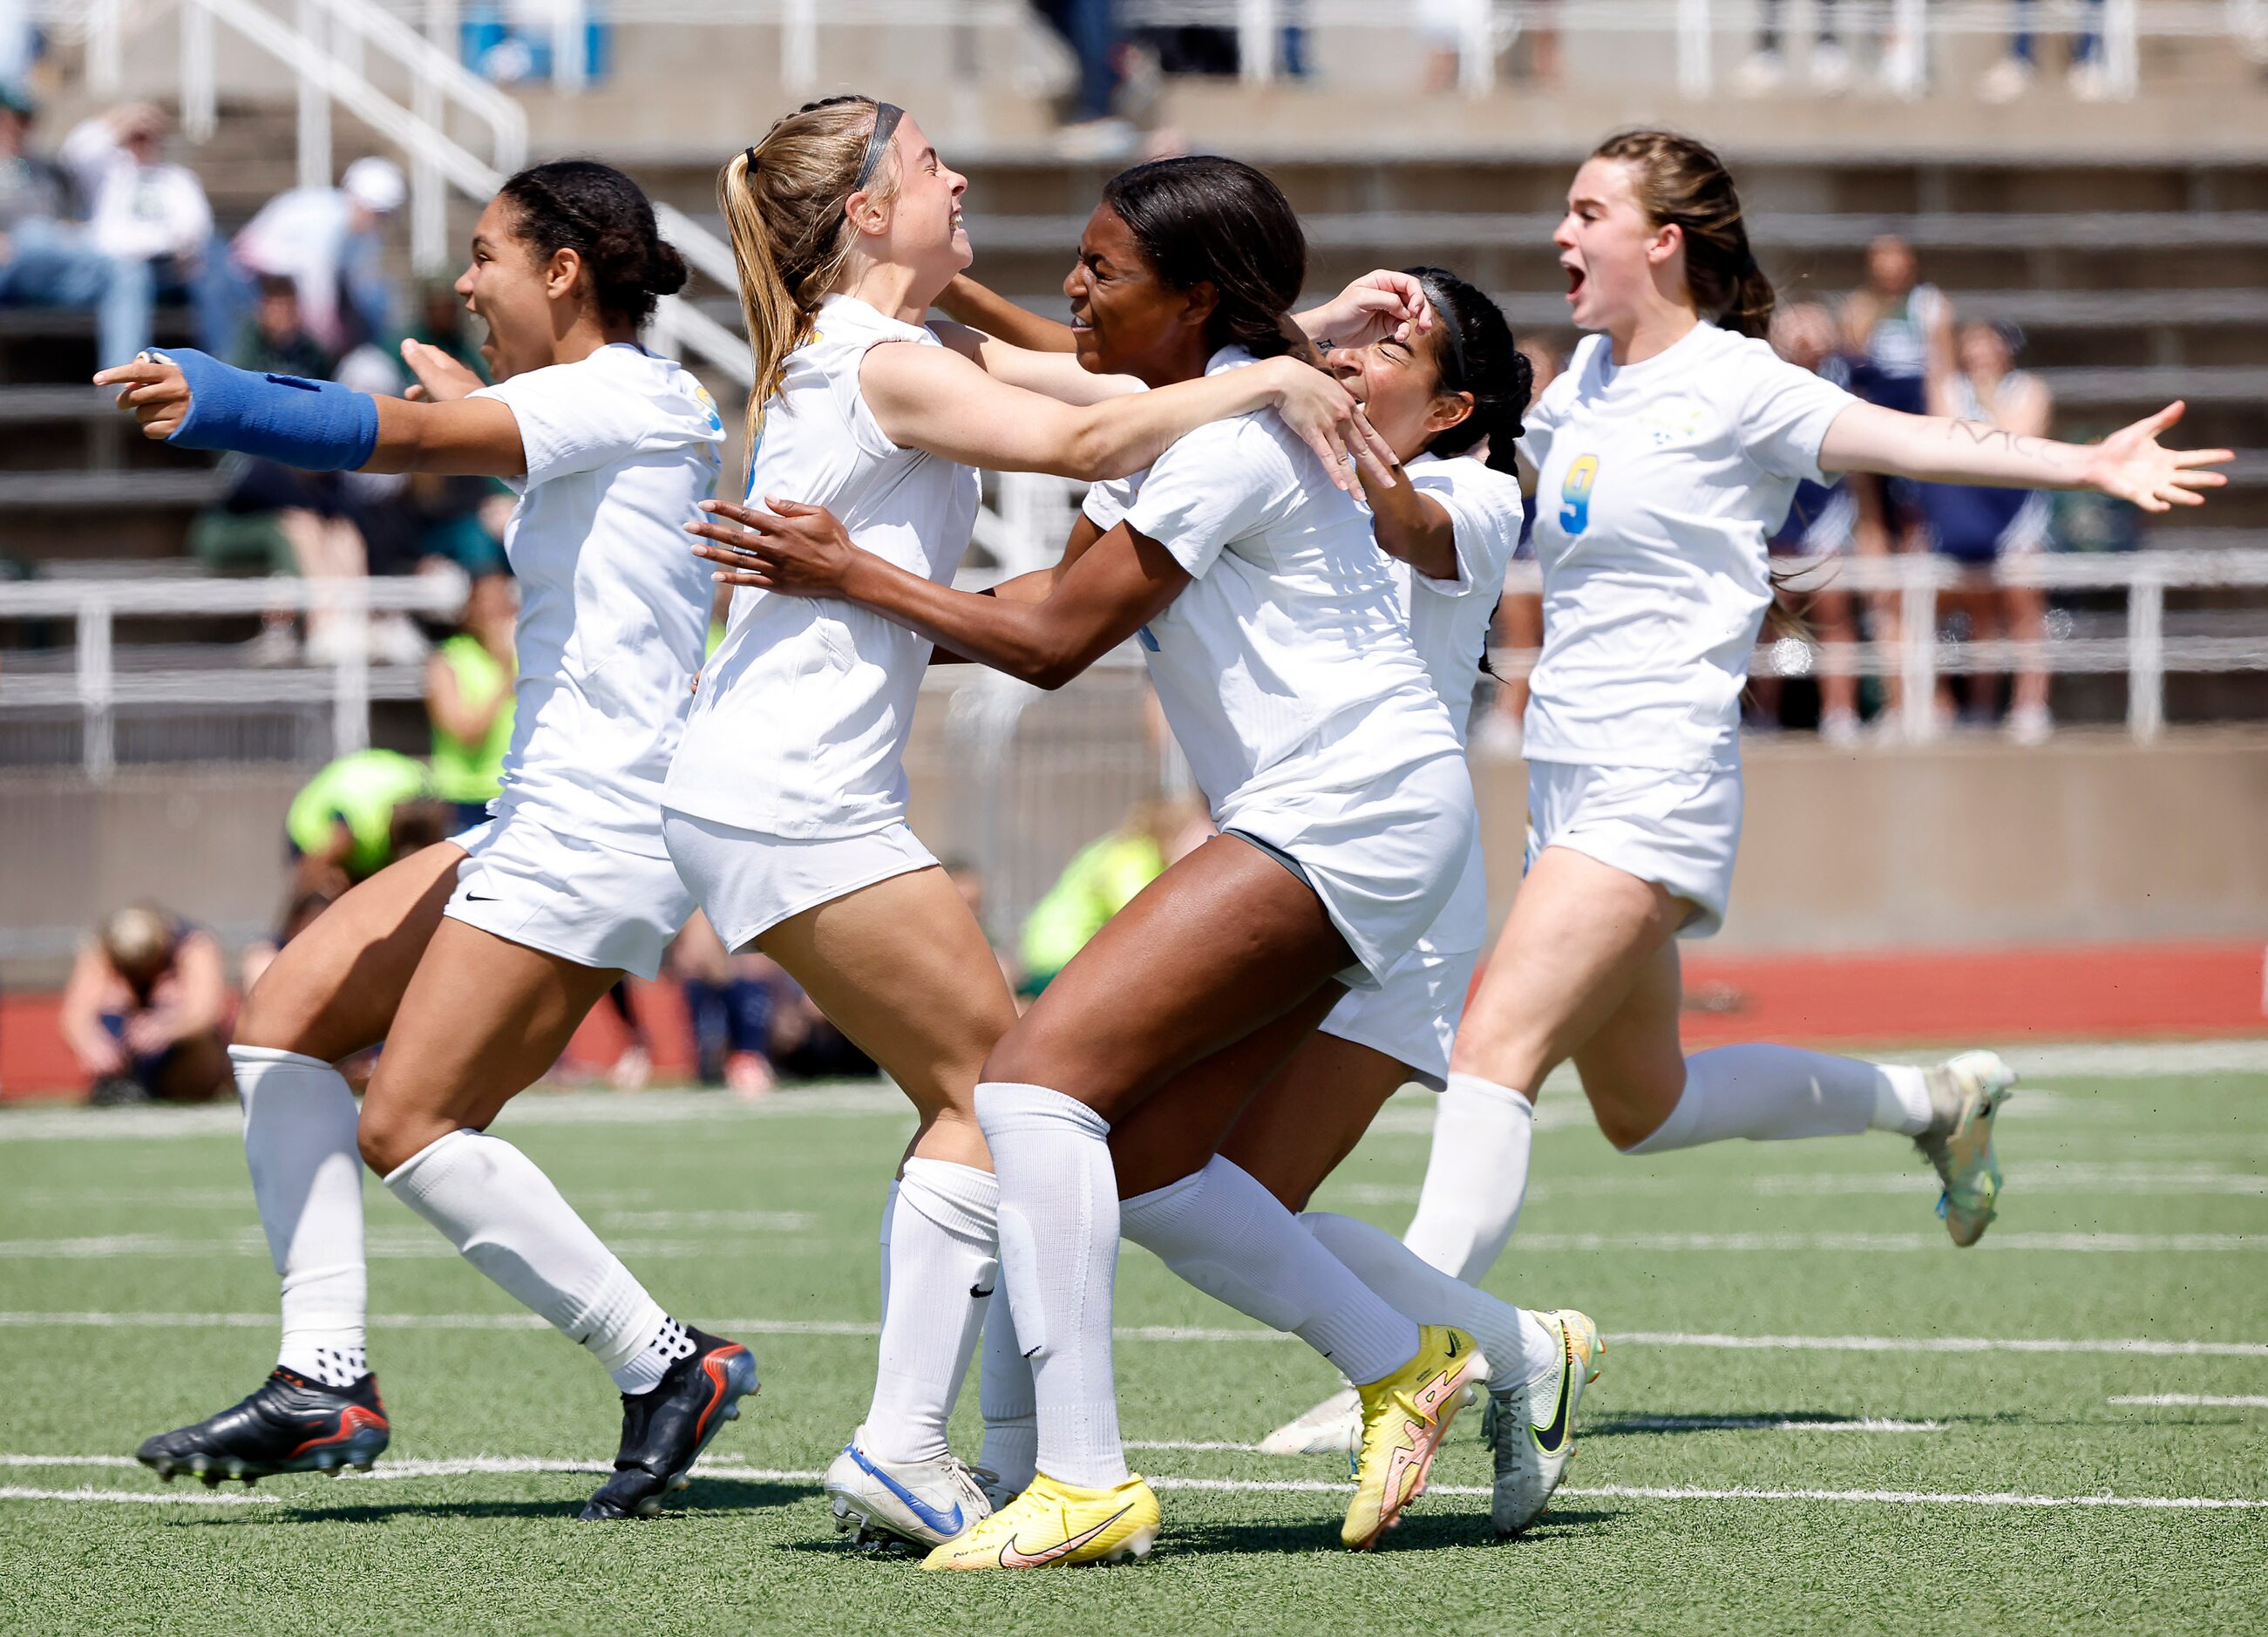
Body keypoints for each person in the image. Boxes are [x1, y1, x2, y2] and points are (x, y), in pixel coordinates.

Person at [1308, 131, 2225, 1402]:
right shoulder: (1581, 378)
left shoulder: (1738, 384)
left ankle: (1408, 1363)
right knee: (1645, 1104)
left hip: (1655, 778)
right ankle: (1933, 1098)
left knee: (1492, 1050)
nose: (1561, 237)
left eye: (1587, 213)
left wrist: (2083, 461)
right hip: (1567, 783)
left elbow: (1912, 441)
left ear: (1660, 242)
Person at [689, 158, 1497, 1568]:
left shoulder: (1227, 440)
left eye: (1101, 269)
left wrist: (854, 579)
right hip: (1355, 806)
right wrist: (863, 613)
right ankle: (1400, 1361)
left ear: (1190, 302)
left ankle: (1079, 1477)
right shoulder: (1208, 410)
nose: (1073, 284)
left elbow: (1058, 642)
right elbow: (1049, 592)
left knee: (1028, 1082)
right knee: (1132, 1151)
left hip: (1349, 803)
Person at [100, 160, 758, 1519]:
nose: (462, 280)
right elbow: (484, 437)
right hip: (547, 808)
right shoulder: (610, 401)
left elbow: (389, 442)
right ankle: (320, 1376)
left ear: (566, 268)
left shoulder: (617, 392)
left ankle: (664, 1362)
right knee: (282, 1019)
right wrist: (470, 410)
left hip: (599, 819)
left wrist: (218, 393)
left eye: (484, 254)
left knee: (410, 1120)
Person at [1920, 319, 2056, 743]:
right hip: (1967, 512)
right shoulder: (1948, 388)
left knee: (2023, 608)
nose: (1977, 353)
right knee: (1977, 612)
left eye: (1986, 344)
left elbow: (2024, 439)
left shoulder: (2030, 388)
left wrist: (1985, 402)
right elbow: (1949, 439)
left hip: (2018, 515)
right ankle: (1977, 707)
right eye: (1970, 344)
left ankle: (2031, 706)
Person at [1759, 299, 1864, 741]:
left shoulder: (1847, 381)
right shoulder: (1761, 382)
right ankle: (1761, 716)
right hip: (1774, 517)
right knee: (1765, 623)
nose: (1802, 335)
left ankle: (1840, 713)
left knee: (1833, 619)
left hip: (1827, 519)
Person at [200, 155, 404, 359]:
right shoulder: (325, 218)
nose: (377, 220)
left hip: (286, 285)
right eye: (376, 212)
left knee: (376, 299)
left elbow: (355, 283)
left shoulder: (360, 234)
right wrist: (326, 339)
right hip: (252, 279)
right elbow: (315, 283)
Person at [0, 83, 139, 369]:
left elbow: (68, 217)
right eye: (11, 118)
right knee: (33, 235)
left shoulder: (44, 170)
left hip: (48, 266)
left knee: (127, 270)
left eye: (25, 119)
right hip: (8, 266)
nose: (18, 127)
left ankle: (123, 381)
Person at [58, 102, 211, 358]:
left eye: (149, 137)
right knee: (130, 275)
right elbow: (73, 153)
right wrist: (117, 121)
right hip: (107, 267)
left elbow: (195, 228)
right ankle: (123, 383)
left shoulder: (177, 178)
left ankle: (231, 370)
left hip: (165, 267)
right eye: (136, 137)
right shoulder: (110, 173)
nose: (142, 143)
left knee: (216, 270)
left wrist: (159, 248)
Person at [58, 905, 232, 1104]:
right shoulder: (101, 947)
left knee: (179, 1010)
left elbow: (206, 1013)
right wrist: (91, 1044)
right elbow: (75, 1017)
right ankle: (121, 1083)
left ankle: (163, 1084)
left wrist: (166, 1028)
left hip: (181, 1057)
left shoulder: (194, 945)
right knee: (112, 1002)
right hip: (127, 1048)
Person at [424, 569, 518, 830]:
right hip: (463, 800)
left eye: (503, 604)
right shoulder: (449, 660)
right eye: (488, 604)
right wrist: (504, 676)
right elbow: (465, 733)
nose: (496, 614)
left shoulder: (528, 659)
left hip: (516, 793)